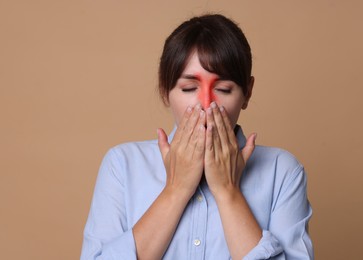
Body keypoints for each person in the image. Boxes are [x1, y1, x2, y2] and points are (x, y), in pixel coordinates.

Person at [81, 14, 313, 260]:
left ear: (247, 92)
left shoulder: (283, 171)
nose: (206, 103)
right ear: (164, 90)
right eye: (189, 88)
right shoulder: (122, 164)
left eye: (223, 89)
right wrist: (176, 189)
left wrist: (227, 191)